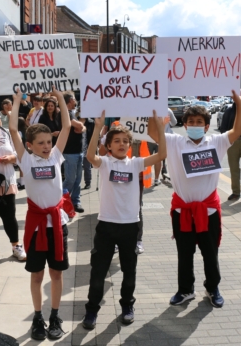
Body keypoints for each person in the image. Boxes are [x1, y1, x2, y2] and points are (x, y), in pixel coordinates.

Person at [147, 90, 241, 309]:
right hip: (182, 211)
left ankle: (212, 287)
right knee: (185, 254)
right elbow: (154, 133)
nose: (194, 125)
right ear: (185, 124)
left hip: (208, 211)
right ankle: (185, 290)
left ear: (207, 126)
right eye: (190, 122)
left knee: (210, 253)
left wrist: (239, 104)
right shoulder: (174, 142)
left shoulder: (217, 142)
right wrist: (153, 110)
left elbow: (237, 130)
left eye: (199, 122)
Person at [81, 111, 166, 330]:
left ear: (130, 145)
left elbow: (162, 154)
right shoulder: (105, 163)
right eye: (116, 141)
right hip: (107, 227)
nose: (121, 144)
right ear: (108, 146)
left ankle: (127, 306)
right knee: (98, 272)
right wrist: (98, 128)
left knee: (130, 271)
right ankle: (91, 311)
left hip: (130, 227)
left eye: (125, 141)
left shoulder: (136, 163)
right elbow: (90, 156)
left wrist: (158, 125)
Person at [9, 87, 71, 341]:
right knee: (37, 274)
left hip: (57, 224)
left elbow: (66, 127)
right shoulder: (26, 160)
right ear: (30, 146)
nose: (47, 147)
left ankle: (55, 315)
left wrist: (59, 99)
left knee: (56, 273)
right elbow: (13, 129)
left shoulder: (56, 157)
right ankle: (38, 316)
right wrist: (16, 101)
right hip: (36, 227)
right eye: (41, 143)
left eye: (49, 142)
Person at [0, 103, 26, 262]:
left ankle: (16, 246)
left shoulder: (5, 132)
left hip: (6, 181)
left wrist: (10, 159)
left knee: (9, 216)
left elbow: (19, 155)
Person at [62, 92, 85, 213]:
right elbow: (79, 126)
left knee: (77, 179)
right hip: (70, 152)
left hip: (78, 150)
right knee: (70, 179)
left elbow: (81, 128)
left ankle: (75, 201)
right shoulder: (65, 113)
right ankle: (61, 200)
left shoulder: (72, 113)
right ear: (70, 100)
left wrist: (81, 126)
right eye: (74, 99)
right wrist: (82, 123)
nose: (76, 101)